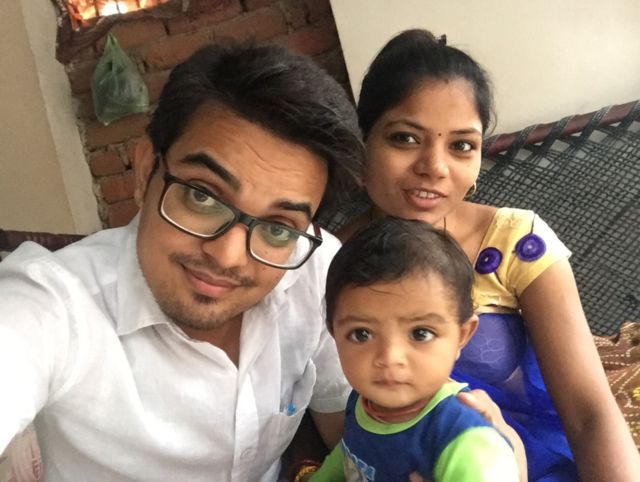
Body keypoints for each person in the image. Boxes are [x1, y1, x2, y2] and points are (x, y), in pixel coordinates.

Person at [0, 41, 366, 481]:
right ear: (144, 171)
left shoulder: (316, 269)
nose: (227, 255)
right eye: (202, 196)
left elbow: (351, 433)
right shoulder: (53, 306)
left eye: (277, 227)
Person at [333, 29, 640, 482]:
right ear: (363, 143)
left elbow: (589, 413)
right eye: (405, 138)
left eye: (461, 145)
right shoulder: (329, 262)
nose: (435, 167)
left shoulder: (516, 243)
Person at [298, 217, 520, 482]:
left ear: (463, 335)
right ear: (334, 334)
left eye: (420, 333)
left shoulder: (466, 446)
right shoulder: (363, 402)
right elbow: (348, 456)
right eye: (361, 334)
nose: (389, 357)